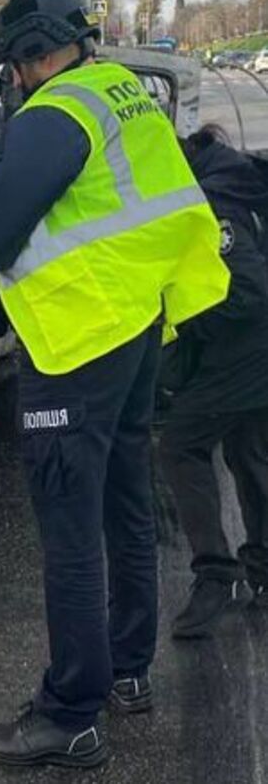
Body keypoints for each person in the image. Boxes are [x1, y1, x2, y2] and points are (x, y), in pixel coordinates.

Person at [0, 0, 228, 769]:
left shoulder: (51, 117)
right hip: (134, 324)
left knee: (69, 526)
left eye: (14, 67)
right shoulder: (123, 93)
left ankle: (70, 714)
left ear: (28, 59)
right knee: (125, 500)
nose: (14, 81)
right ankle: (128, 671)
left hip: (75, 342)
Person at [159, 124, 268, 637]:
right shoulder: (229, 176)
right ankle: (262, 568)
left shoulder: (214, 203)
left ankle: (215, 574)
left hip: (245, 349)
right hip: (253, 348)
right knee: (249, 451)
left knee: (182, 444)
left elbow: (246, 293)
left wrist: (185, 324)